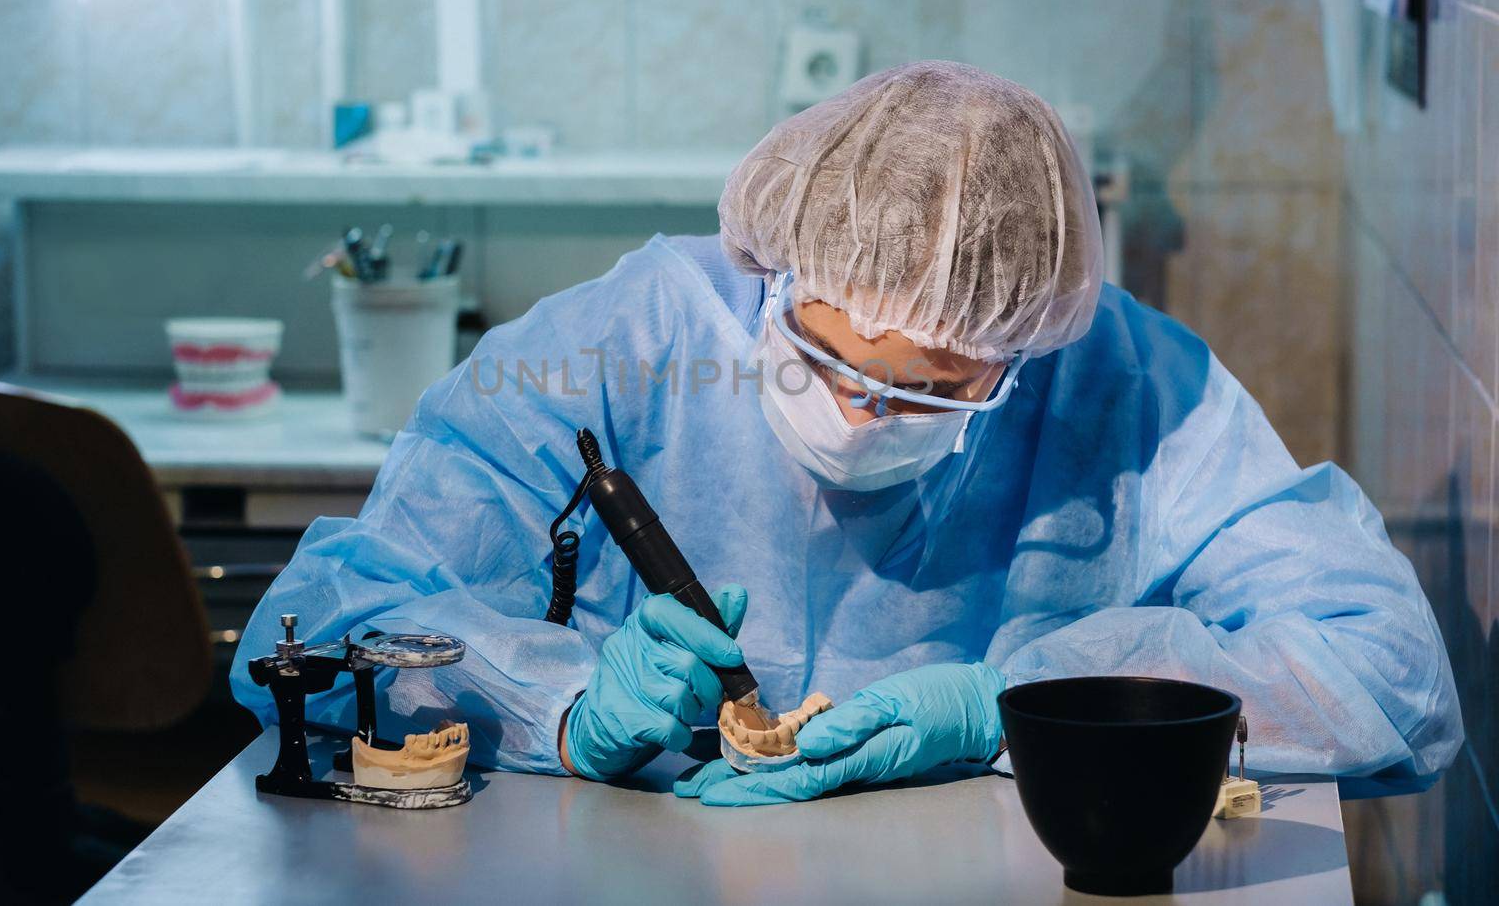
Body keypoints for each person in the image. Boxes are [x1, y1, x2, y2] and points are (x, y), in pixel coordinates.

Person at [232, 62, 1460, 806]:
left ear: (1017, 352)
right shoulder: (635, 339)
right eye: (820, 356)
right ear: (772, 268)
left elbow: (1385, 671)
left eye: (930, 389)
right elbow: (334, 610)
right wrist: (551, 703)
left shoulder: (1125, 387)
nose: (860, 414)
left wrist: (1017, 704)